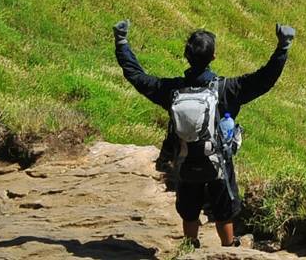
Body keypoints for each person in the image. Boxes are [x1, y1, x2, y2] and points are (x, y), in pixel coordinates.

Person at [113, 19, 295, 249]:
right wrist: (283, 46)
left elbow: (137, 76)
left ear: (186, 56)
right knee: (224, 213)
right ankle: (229, 249)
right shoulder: (226, 89)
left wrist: (122, 42)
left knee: (189, 212)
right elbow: (264, 79)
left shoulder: (172, 90)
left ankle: (190, 247)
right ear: (213, 57)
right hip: (218, 164)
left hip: (186, 161)